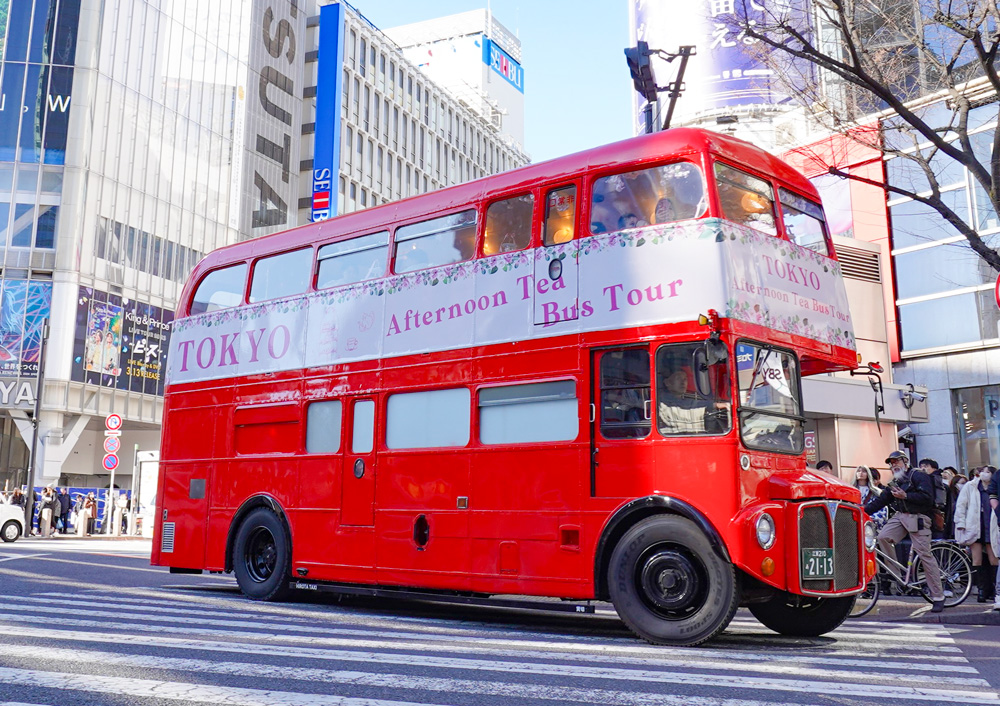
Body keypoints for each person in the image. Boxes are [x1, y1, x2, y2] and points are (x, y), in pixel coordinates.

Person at [864, 450, 946, 612]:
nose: (893, 465)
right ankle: (898, 576)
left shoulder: (918, 475)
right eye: (891, 463)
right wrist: (862, 510)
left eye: (897, 461)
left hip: (919, 517)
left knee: (924, 554)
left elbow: (928, 498)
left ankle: (938, 596)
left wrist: (906, 496)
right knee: (882, 537)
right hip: (901, 516)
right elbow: (882, 500)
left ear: (905, 462)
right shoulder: (896, 481)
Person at [955, 466, 998, 603]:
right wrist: (960, 523)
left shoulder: (995, 487)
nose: (985, 474)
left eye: (988, 472)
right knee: (976, 559)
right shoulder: (971, 486)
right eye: (983, 471)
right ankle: (981, 590)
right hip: (974, 524)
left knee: (994, 559)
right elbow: (961, 505)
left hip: (991, 525)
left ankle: (994, 589)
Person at [657, 367, 728, 435]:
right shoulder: (663, 400)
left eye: (685, 379)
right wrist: (714, 405)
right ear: (667, 382)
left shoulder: (681, 399)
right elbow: (686, 407)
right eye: (678, 378)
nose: (683, 382)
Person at [919, 458, 950, 539]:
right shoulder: (920, 483)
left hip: (936, 516)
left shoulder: (941, 485)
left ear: (934, 468)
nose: (923, 469)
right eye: (921, 466)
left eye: (926, 466)